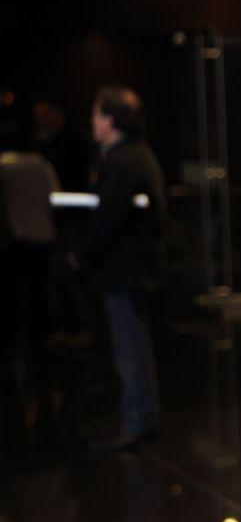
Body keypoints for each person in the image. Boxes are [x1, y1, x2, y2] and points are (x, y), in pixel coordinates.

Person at [78, 86, 166, 453]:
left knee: (129, 349)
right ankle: (142, 420)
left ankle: (138, 423)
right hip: (138, 269)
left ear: (111, 120)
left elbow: (107, 219)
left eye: (97, 115)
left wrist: (81, 254)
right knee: (135, 347)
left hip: (125, 271)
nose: (93, 122)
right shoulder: (139, 156)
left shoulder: (121, 160)